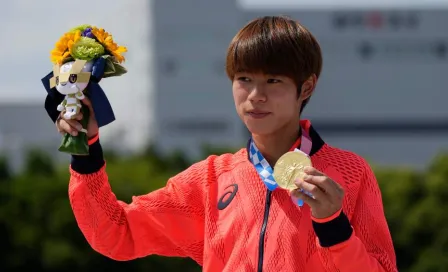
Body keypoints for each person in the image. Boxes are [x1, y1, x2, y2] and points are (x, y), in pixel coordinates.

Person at [56, 16, 397, 272]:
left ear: (306, 88)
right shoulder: (210, 179)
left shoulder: (350, 174)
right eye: (244, 79)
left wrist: (334, 227)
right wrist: (86, 151)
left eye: (273, 80)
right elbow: (117, 233)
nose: (256, 96)